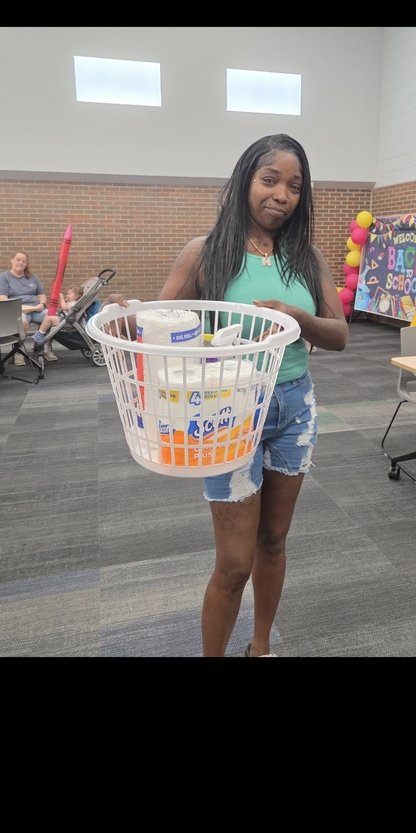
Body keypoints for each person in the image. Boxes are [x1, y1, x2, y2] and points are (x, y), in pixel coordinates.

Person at [105, 134, 349, 657]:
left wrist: (300, 319)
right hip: (226, 411)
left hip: (294, 408)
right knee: (235, 563)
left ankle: (261, 647)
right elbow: (156, 327)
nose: (281, 195)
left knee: (274, 541)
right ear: (244, 182)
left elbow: (340, 334)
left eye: (294, 187)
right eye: (270, 180)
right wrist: (124, 317)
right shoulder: (206, 251)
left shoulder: (307, 258)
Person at [0, 250, 58, 364]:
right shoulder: (4, 277)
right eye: (18, 260)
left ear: (26, 263)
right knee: (22, 322)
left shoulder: (32, 277)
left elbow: (41, 296)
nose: (20, 263)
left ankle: (46, 348)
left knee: (55, 318)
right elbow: (3, 298)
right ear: (11, 260)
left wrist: (42, 304)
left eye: (24, 261)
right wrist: (20, 308)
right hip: (18, 311)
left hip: (36, 310)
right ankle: (19, 351)